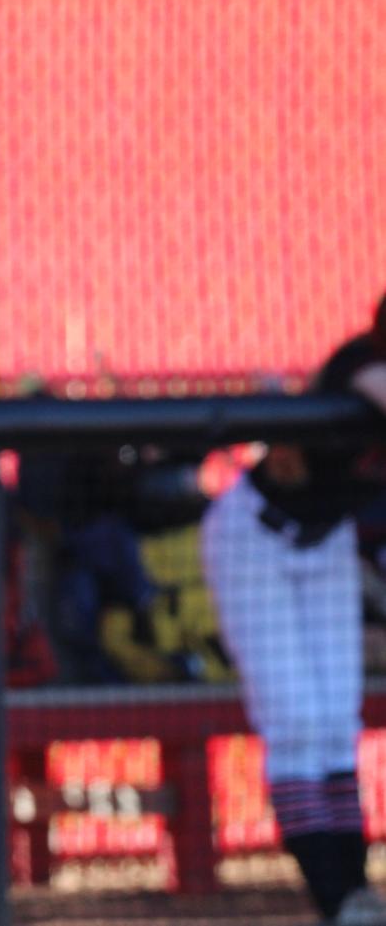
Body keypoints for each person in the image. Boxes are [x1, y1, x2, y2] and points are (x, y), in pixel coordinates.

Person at [201, 291, 386, 926]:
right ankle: (335, 898)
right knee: (296, 719)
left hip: (325, 539)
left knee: (337, 718)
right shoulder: (355, 364)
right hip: (254, 537)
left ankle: (355, 897)